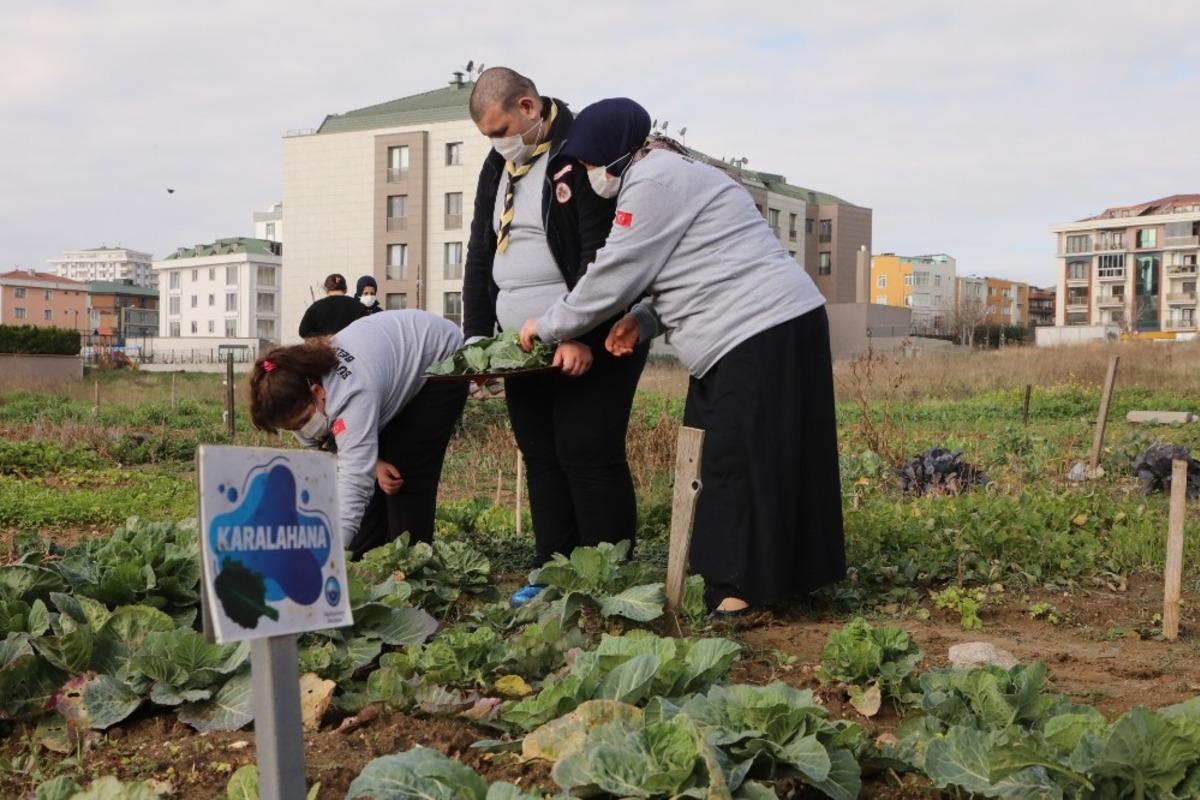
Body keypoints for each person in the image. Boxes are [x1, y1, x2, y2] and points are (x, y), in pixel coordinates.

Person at [519, 98, 845, 617]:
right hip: (771, 324)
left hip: (759, 327)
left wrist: (550, 324)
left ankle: (740, 594)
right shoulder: (669, 173)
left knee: (732, 460)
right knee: (756, 452)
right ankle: (785, 577)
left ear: (616, 153)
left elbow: (614, 271)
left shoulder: (654, 182)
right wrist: (644, 321)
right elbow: (695, 267)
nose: (586, 175)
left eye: (587, 164)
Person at [464, 67, 650, 605]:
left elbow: (601, 251)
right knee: (541, 453)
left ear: (528, 107)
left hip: (593, 331)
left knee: (586, 449)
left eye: (500, 129)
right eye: (487, 137)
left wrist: (579, 334)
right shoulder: (499, 163)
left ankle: (608, 576)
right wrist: (478, 337)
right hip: (524, 343)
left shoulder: (580, 147)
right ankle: (553, 569)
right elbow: (481, 250)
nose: (497, 143)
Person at [250, 310, 467, 556]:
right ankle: (368, 558)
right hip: (387, 369)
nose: (302, 432)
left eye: (302, 421)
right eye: (292, 429)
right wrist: (374, 464)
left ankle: (413, 568)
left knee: (403, 474)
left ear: (317, 391)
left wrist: (329, 556)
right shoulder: (307, 386)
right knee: (362, 531)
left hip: (439, 362)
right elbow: (329, 457)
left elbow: (354, 476)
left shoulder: (352, 391)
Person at [298, 273, 369, 337]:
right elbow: (367, 330)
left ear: (325, 289)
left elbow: (303, 332)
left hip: (326, 349)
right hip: (351, 349)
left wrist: (322, 338)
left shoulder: (316, 307)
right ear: (345, 289)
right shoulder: (358, 306)